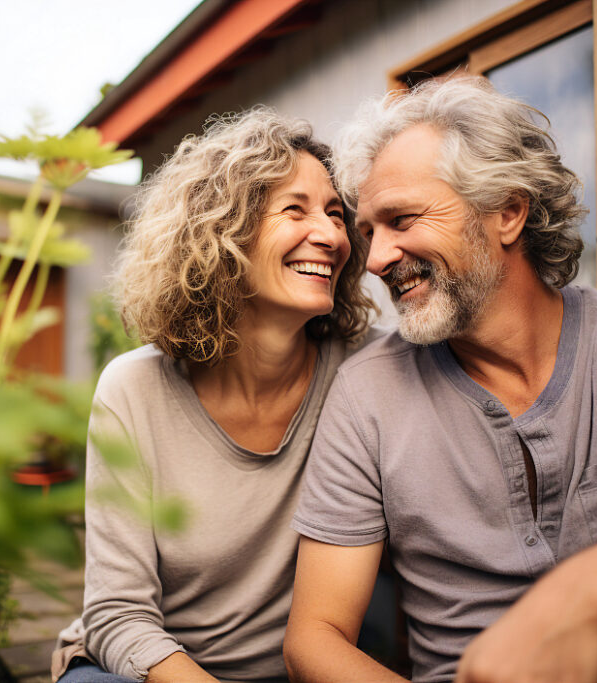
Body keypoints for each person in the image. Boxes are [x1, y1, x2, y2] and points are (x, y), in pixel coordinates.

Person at [284, 75, 597, 683]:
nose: (374, 259)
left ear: (507, 212)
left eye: (402, 219)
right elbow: (313, 640)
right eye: (369, 232)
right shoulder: (367, 394)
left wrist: (584, 596)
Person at [51, 108, 375, 683]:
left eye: (334, 213)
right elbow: (117, 613)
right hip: (147, 671)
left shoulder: (368, 371)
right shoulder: (135, 390)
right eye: (294, 209)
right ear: (220, 233)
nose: (330, 236)